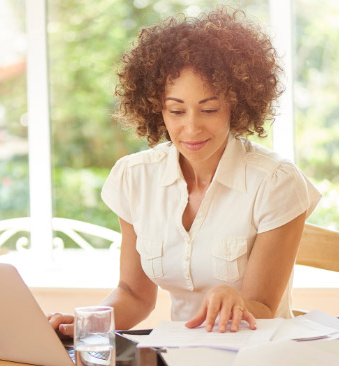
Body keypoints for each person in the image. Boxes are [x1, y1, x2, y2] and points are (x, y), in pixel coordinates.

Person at [48, 7, 320, 336]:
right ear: (154, 107)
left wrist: (233, 299)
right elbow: (135, 295)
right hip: (178, 360)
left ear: (237, 104)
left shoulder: (276, 182)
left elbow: (262, 306)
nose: (191, 128)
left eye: (209, 109)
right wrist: (86, 324)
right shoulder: (135, 178)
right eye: (176, 110)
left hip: (257, 356)